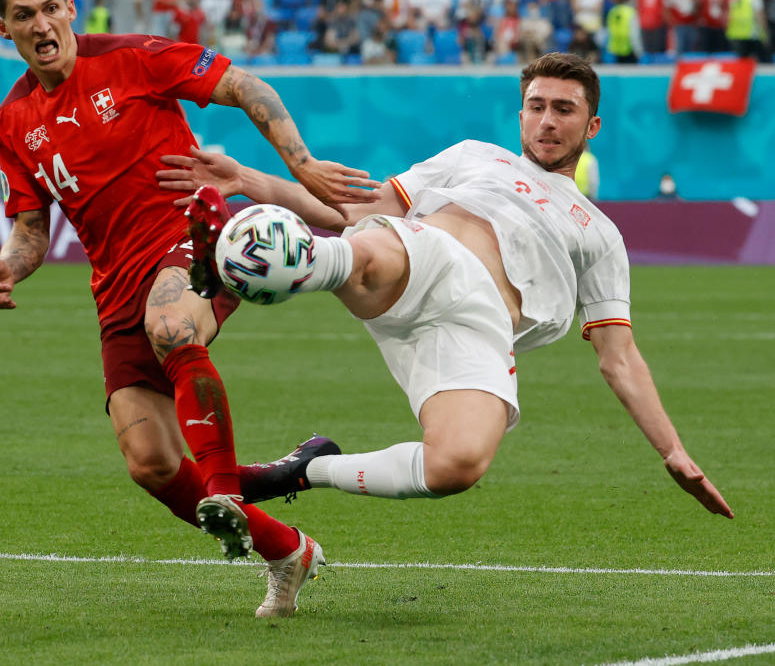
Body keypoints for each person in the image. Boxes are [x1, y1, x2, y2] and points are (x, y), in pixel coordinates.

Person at [157, 53, 734, 520]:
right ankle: (239, 250)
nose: (547, 121)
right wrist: (250, 179)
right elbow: (354, 208)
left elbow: (619, 357)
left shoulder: (600, 233)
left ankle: (306, 469)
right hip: (425, 254)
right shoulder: (476, 157)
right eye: (536, 107)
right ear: (520, 114)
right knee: (367, 247)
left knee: (456, 465)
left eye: (564, 109)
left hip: (478, 332)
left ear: (592, 125)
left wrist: (674, 451)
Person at [0, 0, 379, 616]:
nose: (41, 24)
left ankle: (223, 482)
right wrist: (6, 267)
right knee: (151, 463)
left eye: (51, 8)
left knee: (172, 327)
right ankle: (286, 548)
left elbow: (245, 84)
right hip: (115, 283)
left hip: (192, 233)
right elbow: (29, 230)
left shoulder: (134, 58)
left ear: (72, 10)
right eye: (25, 16)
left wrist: (301, 166)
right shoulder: (14, 121)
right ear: (5, 29)